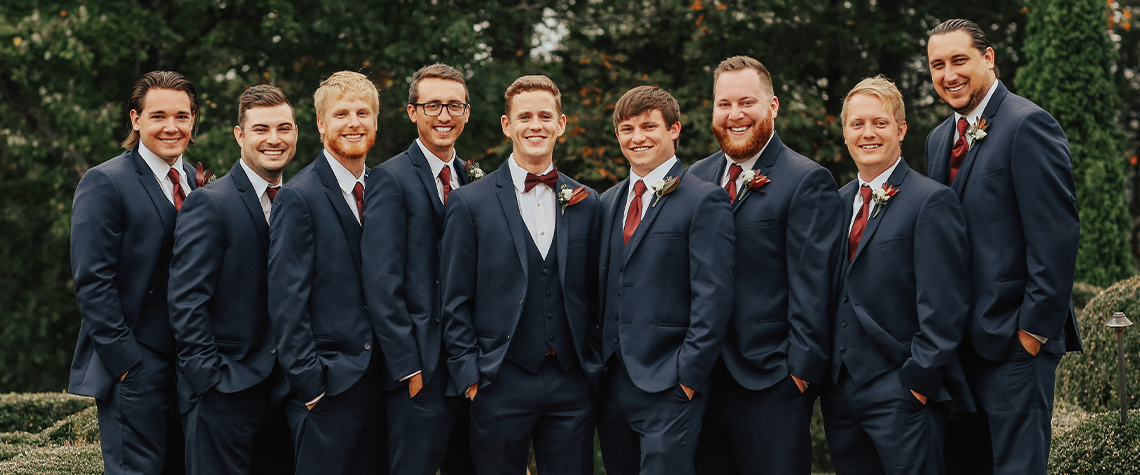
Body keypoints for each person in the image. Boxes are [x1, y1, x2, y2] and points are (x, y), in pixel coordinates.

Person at [924, 19, 1082, 475]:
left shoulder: (1027, 124)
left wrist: (1032, 331)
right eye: (938, 65)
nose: (949, 74)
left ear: (988, 58)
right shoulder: (939, 139)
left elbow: (1056, 234)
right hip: (958, 346)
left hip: (1015, 343)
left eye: (959, 60)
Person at [440, 74, 602, 475]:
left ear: (561, 124)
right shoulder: (469, 203)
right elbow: (454, 296)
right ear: (506, 125)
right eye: (524, 116)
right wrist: (471, 377)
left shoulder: (587, 201)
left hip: (571, 383)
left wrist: (592, 365)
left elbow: (597, 292)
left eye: (545, 116)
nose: (536, 125)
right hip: (498, 382)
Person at [689, 55, 843, 475]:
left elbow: (814, 287)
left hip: (771, 384)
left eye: (747, 103)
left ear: (772, 106)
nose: (735, 115)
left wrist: (797, 377)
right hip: (700, 383)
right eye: (724, 104)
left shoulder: (806, 180)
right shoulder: (695, 178)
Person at [821, 75, 973, 475]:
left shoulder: (931, 201)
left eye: (879, 123)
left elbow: (945, 303)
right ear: (845, 133)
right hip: (840, 394)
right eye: (857, 124)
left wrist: (917, 382)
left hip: (902, 391)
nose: (867, 133)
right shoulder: (834, 205)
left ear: (901, 130)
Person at [595, 85, 735, 475]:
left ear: (674, 129)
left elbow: (714, 296)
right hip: (612, 383)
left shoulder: (703, 199)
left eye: (647, 127)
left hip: (670, 384)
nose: (637, 138)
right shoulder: (606, 203)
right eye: (626, 129)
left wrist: (687, 377)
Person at [69, 70, 199, 475]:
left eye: (182, 116)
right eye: (158, 116)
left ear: (193, 120)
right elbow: (93, 282)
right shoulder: (105, 182)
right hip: (135, 366)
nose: (171, 127)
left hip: (188, 366)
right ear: (135, 119)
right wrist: (126, 362)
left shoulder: (195, 178)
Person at [168, 84, 298, 475]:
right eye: (261, 129)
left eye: (284, 128)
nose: (273, 139)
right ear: (240, 135)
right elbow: (186, 300)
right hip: (223, 391)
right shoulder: (210, 202)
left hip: (283, 394)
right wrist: (209, 379)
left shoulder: (296, 201)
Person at [268, 71, 386, 475]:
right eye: (341, 114)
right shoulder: (298, 197)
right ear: (321, 124)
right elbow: (286, 299)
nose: (353, 123)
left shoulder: (385, 188)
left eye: (362, 113)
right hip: (326, 388)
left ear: (375, 121)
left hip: (382, 386)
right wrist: (311, 385)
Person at [362, 63, 475, 475]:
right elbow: (380, 281)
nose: (443, 116)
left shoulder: (471, 177)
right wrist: (408, 367)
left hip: (469, 369)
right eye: (432, 106)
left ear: (466, 112)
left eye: (453, 106)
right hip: (420, 371)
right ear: (412, 112)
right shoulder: (389, 179)